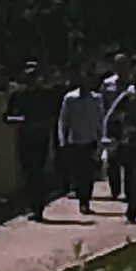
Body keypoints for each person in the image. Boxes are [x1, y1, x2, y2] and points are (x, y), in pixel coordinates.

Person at [5, 71, 60, 220]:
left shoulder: (46, 95)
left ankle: (38, 207)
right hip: (25, 137)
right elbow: (7, 117)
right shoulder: (18, 95)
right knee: (27, 172)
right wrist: (21, 120)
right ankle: (31, 205)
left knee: (38, 172)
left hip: (40, 138)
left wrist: (40, 125)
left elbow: (54, 115)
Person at [105, 67, 136, 223]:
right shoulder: (128, 97)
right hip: (131, 142)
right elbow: (112, 115)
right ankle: (133, 208)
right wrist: (112, 135)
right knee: (133, 176)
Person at [56, 74, 105, 214]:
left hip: (91, 139)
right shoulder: (70, 98)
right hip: (75, 140)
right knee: (78, 172)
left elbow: (100, 119)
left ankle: (86, 199)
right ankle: (81, 199)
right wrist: (62, 140)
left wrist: (102, 139)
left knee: (89, 172)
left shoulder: (96, 99)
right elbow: (63, 120)